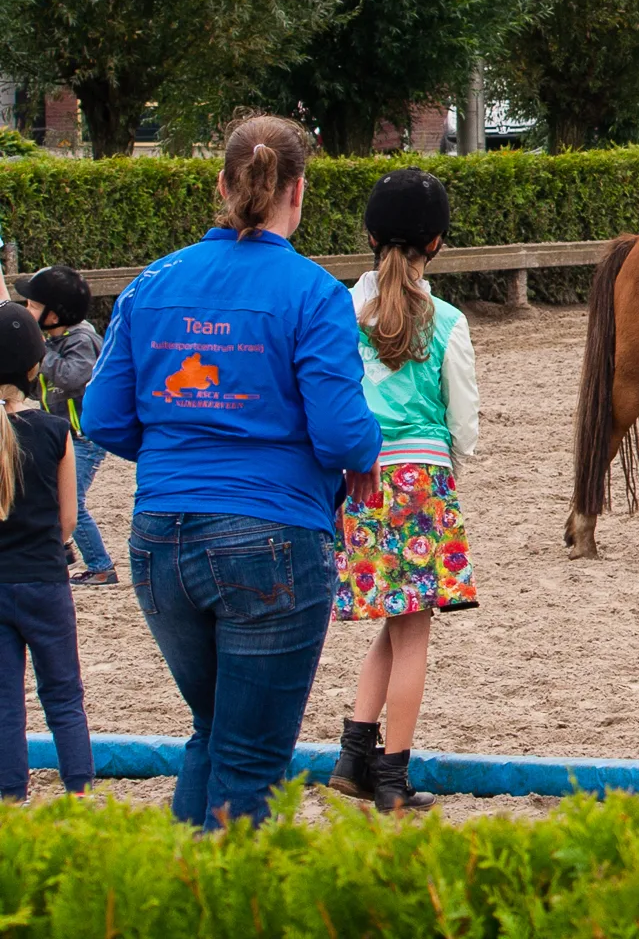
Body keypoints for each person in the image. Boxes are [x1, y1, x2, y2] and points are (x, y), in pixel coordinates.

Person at [82, 114, 383, 828]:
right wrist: (364, 454)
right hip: (273, 535)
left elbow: (101, 417)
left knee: (212, 733)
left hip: (160, 535)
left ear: (222, 184)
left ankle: (178, 897)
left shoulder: (153, 283)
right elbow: (343, 433)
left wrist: (178, 449)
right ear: (298, 194)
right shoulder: (313, 293)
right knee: (251, 759)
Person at [327, 168, 477, 814]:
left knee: (394, 623)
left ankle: (352, 754)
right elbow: (463, 423)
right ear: (436, 242)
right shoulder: (446, 320)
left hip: (360, 480)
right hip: (421, 481)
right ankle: (392, 777)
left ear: (369, 233)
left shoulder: (341, 312)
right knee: (414, 635)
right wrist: (449, 462)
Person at [0, 301, 92, 801]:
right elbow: (68, 521)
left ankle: (10, 799)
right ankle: (79, 791)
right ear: (36, 367)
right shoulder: (55, 432)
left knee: (5, 704)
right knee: (63, 696)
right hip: (44, 580)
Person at [18, 267, 112, 585]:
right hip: (63, 435)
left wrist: (40, 354)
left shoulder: (81, 339)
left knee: (73, 501)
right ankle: (65, 550)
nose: (27, 310)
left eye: (32, 305)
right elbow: (39, 388)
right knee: (54, 496)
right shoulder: (53, 340)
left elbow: (72, 377)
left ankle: (101, 567)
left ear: (55, 314)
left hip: (83, 436)